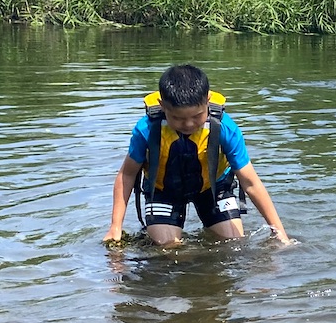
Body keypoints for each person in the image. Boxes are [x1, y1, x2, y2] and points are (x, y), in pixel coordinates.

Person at [103, 64, 292, 248]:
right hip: (164, 190)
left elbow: (251, 183)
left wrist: (279, 232)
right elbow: (126, 175)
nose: (188, 124)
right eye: (177, 118)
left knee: (232, 245)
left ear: (208, 100)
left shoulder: (225, 128)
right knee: (167, 250)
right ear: (162, 106)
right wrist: (115, 227)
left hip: (213, 188)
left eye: (197, 116)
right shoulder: (147, 129)